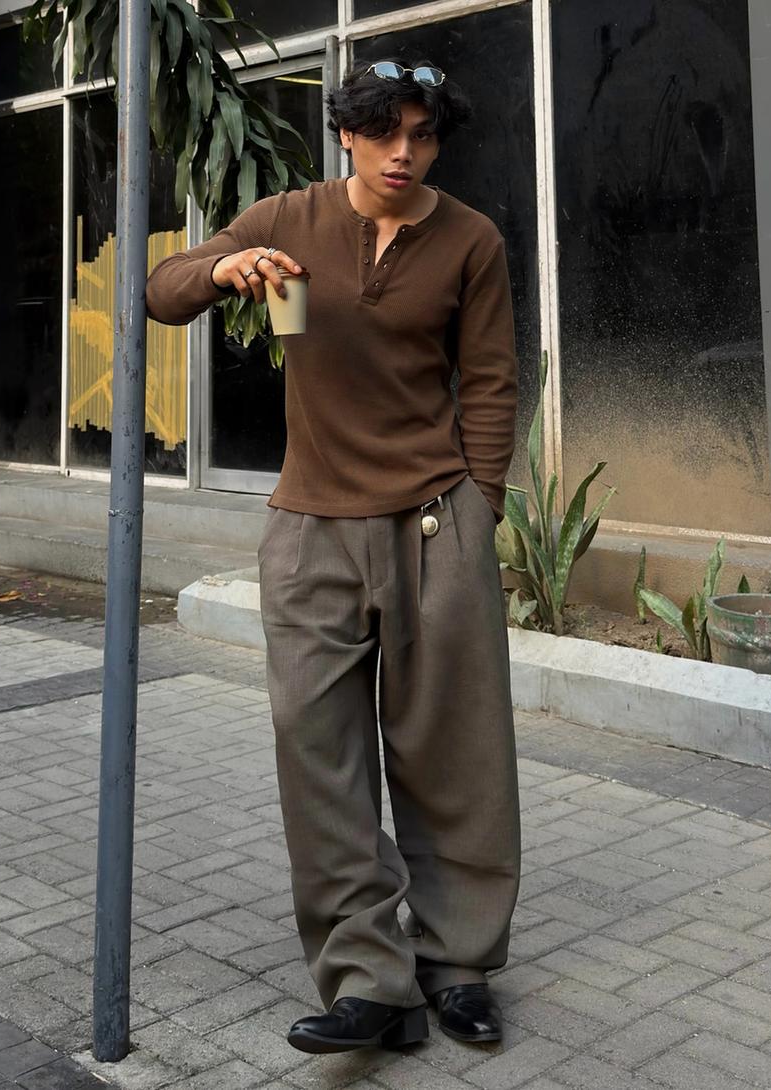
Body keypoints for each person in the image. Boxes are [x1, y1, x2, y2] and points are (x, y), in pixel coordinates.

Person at [146, 57, 521, 1055]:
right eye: (385, 132)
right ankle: (369, 981)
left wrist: (480, 508)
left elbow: (489, 382)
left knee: (453, 753)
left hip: (435, 522)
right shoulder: (285, 218)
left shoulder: (471, 240)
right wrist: (222, 269)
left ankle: (457, 963)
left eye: (423, 135)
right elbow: (162, 289)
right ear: (346, 133)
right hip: (309, 527)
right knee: (319, 755)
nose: (405, 153)